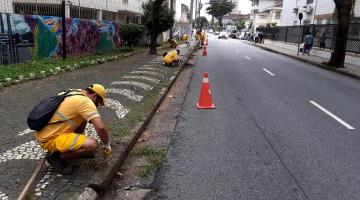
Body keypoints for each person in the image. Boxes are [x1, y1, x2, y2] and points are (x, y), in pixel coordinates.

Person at [35, 84, 112, 175]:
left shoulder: (74, 92)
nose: (97, 105)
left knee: (83, 118)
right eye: (98, 103)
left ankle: (70, 151)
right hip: (51, 138)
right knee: (92, 144)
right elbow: (101, 128)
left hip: (46, 132)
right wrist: (107, 145)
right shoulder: (86, 102)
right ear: (94, 96)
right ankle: (57, 157)